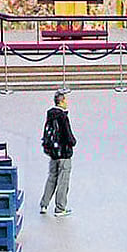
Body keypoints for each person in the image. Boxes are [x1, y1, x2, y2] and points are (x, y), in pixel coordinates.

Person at [39, 89, 77, 217]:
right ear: (62, 101)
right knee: (63, 181)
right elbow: (67, 135)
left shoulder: (50, 115)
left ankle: (44, 204)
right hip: (64, 153)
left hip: (53, 153)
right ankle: (60, 207)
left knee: (52, 178)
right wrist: (73, 142)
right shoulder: (62, 116)